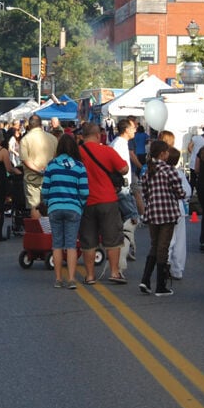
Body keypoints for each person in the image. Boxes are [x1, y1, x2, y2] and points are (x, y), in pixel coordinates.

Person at [78, 122, 129, 285]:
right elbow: (124, 169)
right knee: (112, 238)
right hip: (107, 199)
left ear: (82, 136)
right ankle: (114, 272)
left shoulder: (77, 153)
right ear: (98, 135)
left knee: (88, 239)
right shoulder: (107, 151)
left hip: (85, 200)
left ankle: (90, 275)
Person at [41, 134, 89, 289]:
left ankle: (58, 279)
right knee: (71, 245)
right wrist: (80, 205)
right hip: (73, 208)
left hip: (55, 207)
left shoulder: (52, 165)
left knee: (56, 245)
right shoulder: (79, 166)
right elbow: (84, 191)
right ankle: (72, 279)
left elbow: (45, 189)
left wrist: (48, 203)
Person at [140, 140, 187, 295]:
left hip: (153, 212)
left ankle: (145, 280)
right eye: (166, 151)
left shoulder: (149, 171)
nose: (168, 154)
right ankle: (161, 285)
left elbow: (145, 192)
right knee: (163, 247)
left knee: (154, 245)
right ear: (162, 154)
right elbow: (180, 192)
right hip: (167, 213)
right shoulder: (170, 171)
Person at [110, 119, 143, 267]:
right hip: (121, 187)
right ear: (126, 130)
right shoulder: (118, 144)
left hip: (123, 186)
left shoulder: (120, 143)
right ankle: (124, 252)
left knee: (124, 220)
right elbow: (117, 166)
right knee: (133, 218)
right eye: (133, 127)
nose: (135, 129)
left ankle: (126, 248)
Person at [19, 115, 57, 219]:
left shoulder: (25, 140)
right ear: (41, 125)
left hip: (32, 178)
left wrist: (38, 170)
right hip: (50, 177)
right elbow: (56, 157)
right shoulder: (52, 138)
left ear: (29, 126)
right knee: (49, 206)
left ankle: (38, 233)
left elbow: (25, 160)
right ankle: (49, 231)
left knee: (35, 207)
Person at [166, 148, 192, 281]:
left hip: (164, 210)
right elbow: (187, 191)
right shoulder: (179, 173)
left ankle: (165, 263)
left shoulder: (159, 172)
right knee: (179, 241)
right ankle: (177, 269)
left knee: (167, 239)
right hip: (178, 209)